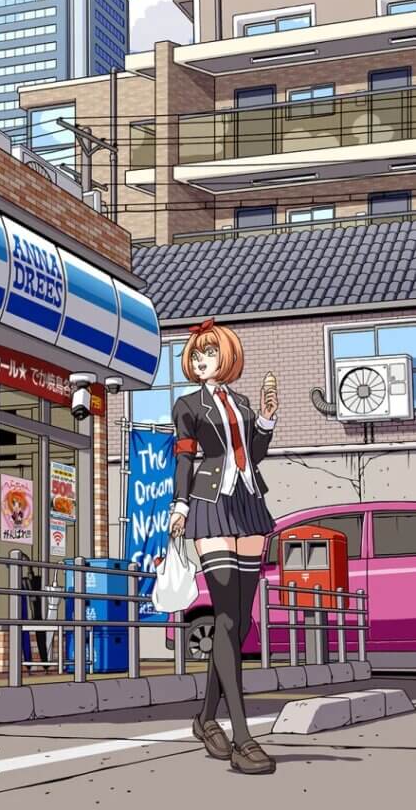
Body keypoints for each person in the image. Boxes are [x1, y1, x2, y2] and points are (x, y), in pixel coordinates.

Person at [169, 318, 278, 775]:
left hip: (248, 503)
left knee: (240, 623)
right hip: (210, 505)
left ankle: (204, 718)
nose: (201, 361)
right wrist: (179, 504)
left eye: (208, 353)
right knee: (228, 619)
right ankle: (242, 738)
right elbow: (185, 457)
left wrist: (267, 420)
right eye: (195, 355)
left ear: (227, 356)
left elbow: (252, 454)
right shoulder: (188, 404)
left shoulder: (244, 403)